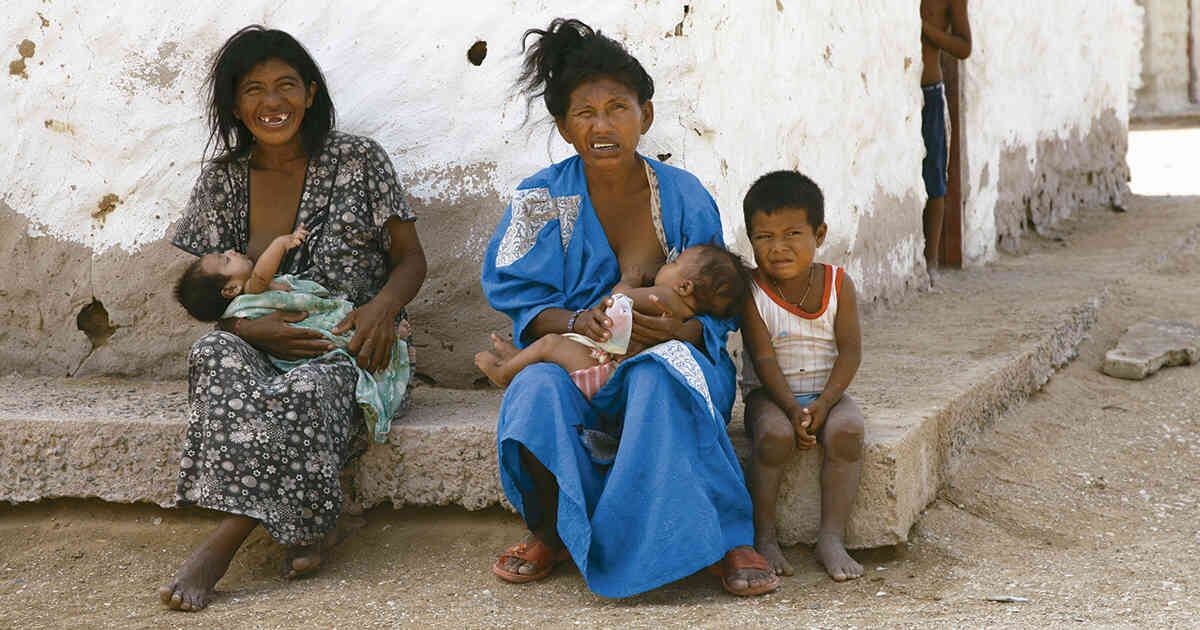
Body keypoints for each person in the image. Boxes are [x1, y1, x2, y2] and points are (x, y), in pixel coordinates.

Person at [481, 18, 779, 598]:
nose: (602, 125)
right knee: (534, 390)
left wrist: (684, 327)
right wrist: (574, 322)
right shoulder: (539, 198)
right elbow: (518, 297)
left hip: (679, 358)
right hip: (584, 358)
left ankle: (723, 533)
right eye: (584, 113)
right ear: (565, 128)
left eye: (617, 107)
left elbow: (724, 298)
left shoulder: (684, 194)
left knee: (655, 378)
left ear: (644, 113)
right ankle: (552, 529)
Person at [158, 25, 427, 612]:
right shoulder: (223, 180)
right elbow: (214, 301)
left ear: (309, 93)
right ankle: (308, 525)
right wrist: (243, 329)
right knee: (211, 353)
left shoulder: (358, 160)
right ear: (235, 103)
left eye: (286, 86)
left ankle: (222, 544)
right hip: (257, 340)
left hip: (347, 343)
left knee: (305, 387)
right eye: (254, 89)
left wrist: (382, 309)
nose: (272, 103)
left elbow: (411, 257)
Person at [174, 224, 412, 444]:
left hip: (310, 351)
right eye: (226, 259)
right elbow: (260, 276)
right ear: (231, 289)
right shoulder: (250, 289)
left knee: (336, 337)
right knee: (333, 337)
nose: (231, 250)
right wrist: (281, 243)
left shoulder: (251, 292)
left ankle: (384, 334)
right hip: (301, 340)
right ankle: (391, 339)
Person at [739, 171, 865, 582]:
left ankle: (831, 537)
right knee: (775, 437)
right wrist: (793, 408)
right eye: (764, 237)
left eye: (792, 233)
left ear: (820, 233)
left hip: (826, 393)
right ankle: (765, 536)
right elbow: (764, 359)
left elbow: (850, 351)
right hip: (771, 397)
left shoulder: (837, 284)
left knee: (847, 431)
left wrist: (825, 403)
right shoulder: (753, 292)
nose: (778, 248)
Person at [475, 244, 748, 399]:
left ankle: (505, 373)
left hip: (602, 369)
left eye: (673, 264)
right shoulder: (684, 314)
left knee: (550, 344)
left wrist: (626, 282)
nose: (665, 266)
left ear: (685, 286)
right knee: (562, 346)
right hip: (616, 372)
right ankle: (521, 359)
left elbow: (617, 304)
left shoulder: (662, 296)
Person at [919, 0, 972, 277]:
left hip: (930, 90)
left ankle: (930, 262)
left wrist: (926, 31)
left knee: (935, 175)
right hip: (897, 91)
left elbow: (964, 48)